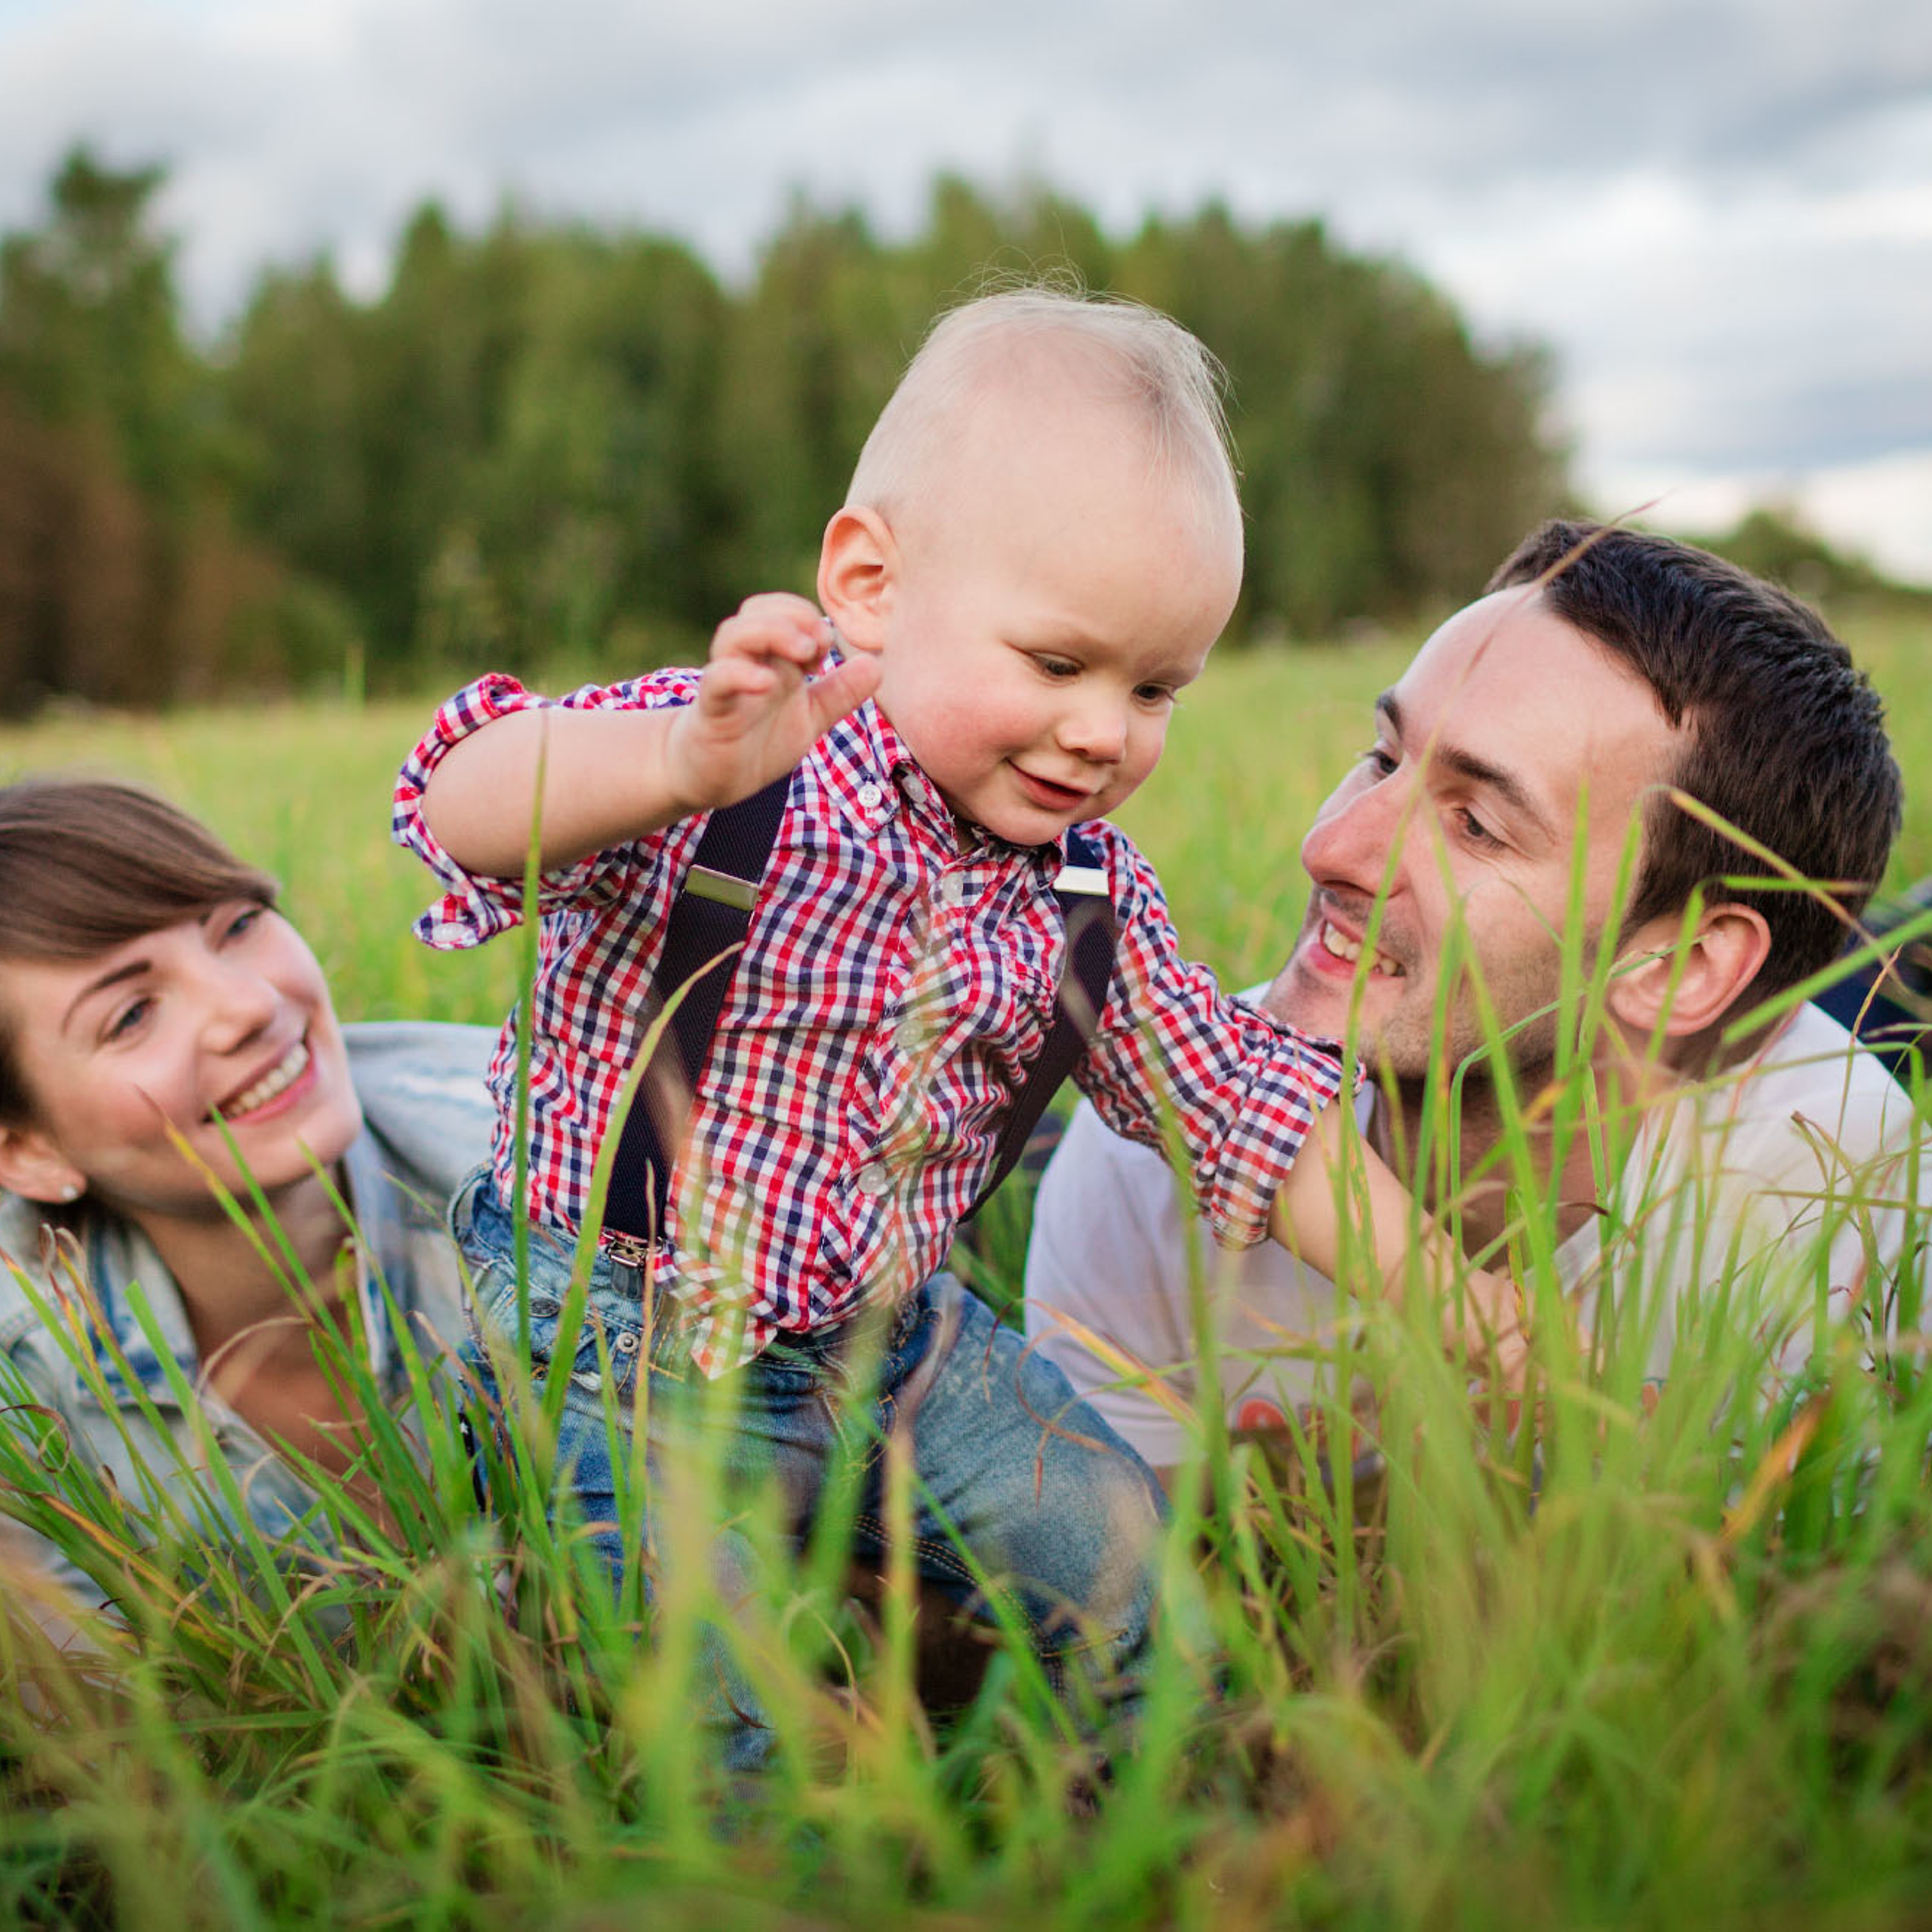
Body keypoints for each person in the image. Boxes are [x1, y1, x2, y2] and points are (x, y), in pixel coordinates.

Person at [392, 288, 1515, 1752]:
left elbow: (1245, 1104)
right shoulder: (733, 752)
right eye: (1056, 664)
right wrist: (669, 758)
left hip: (892, 1342)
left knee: (1127, 1579)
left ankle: (1187, 1819)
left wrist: (1447, 1296)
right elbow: (466, 804)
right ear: (866, 581)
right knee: (706, 1719)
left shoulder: (1083, 891)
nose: (1105, 730)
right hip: (617, 1340)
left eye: (1154, 685)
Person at [1024, 519, 1921, 1487]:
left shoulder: (1843, 1218)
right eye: (1380, 757)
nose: (1329, 848)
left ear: (1686, 961)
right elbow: (1125, 1593)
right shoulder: (1146, 1147)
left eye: (1476, 824)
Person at [0, 779, 495, 1617]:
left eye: (237, 925)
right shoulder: (24, 1379)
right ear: (27, 1151)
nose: (251, 1005)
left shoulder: (556, 1175)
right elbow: (99, 1730)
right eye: (131, 1015)